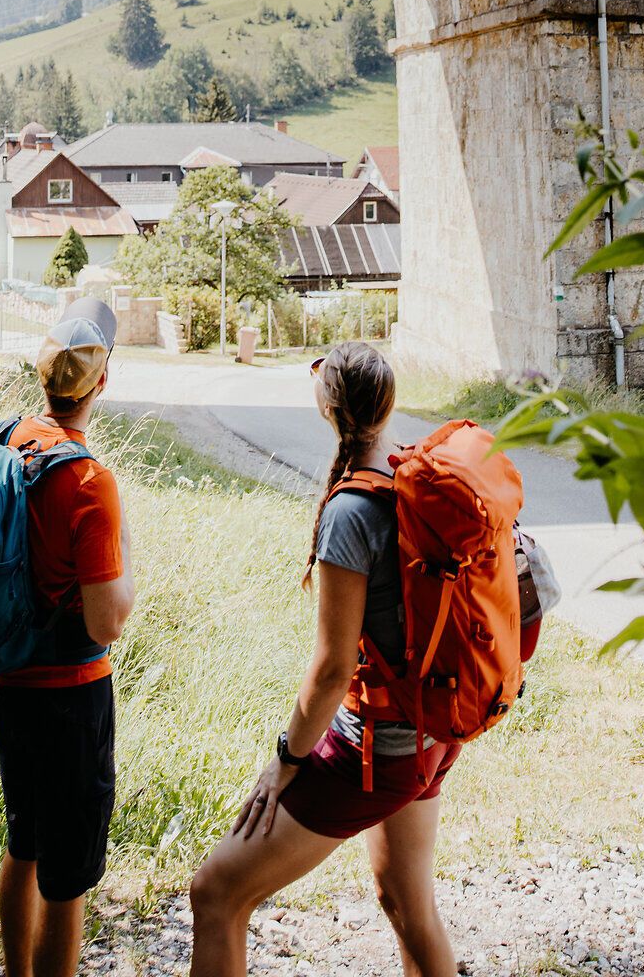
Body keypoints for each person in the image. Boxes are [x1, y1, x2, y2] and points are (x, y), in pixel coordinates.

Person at [189, 342, 460, 977]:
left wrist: (284, 762)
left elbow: (333, 669)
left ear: (327, 409)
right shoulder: (414, 480)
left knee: (216, 895)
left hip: (381, 748)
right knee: (408, 904)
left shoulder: (351, 510)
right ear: (389, 405)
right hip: (435, 734)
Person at [0, 300, 135, 977]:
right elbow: (106, 622)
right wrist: (127, 559)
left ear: (42, 377)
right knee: (68, 877)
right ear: (100, 385)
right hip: (71, 698)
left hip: (6, 681)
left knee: (25, 841)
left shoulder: (7, 440)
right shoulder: (88, 483)